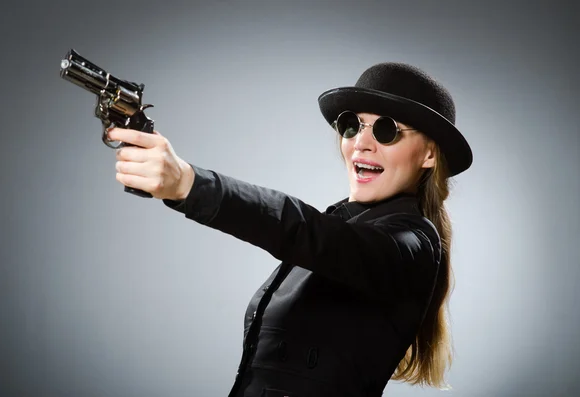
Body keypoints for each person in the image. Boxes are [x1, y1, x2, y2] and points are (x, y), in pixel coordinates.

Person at [107, 62, 473, 397]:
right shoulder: (342, 224)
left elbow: (301, 229)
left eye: (386, 129)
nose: (361, 142)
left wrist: (190, 184)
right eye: (351, 125)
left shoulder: (412, 243)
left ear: (428, 154)